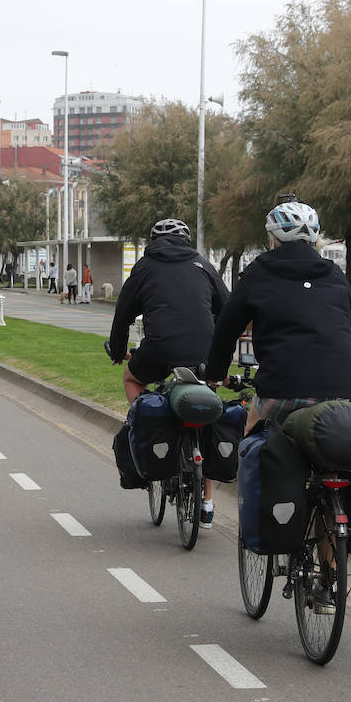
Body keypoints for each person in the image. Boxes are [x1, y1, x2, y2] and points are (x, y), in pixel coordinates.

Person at [206, 200, 351, 612]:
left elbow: (226, 328)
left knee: (255, 432)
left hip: (282, 390)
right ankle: (328, 583)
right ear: (315, 237)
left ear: (272, 238)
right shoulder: (334, 274)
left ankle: (268, 510)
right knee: (332, 468)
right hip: (345, 392)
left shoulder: (258, 272)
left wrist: (215, 372)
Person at [107, 218, 230, 528]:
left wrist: (119, 350)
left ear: (153, 241)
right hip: (205, 353)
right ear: (186, 241)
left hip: (159, 350)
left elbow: (123, 315)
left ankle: (148, 425)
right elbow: (227, 308)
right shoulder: (203, 265)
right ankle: (207, 503)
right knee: (209, 410)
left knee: (132, 379)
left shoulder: (145, 266)